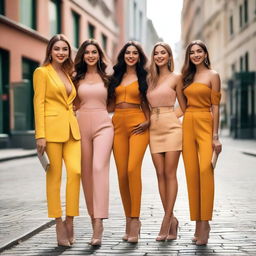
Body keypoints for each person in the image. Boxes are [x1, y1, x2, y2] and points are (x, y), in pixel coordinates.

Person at [33, 34, 81, 247]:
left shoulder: (67, 73)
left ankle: (70, 220)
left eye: (65, 49)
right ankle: (58, 223)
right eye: (57, 49)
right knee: (54, 178)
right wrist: (40, 134)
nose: (61, 52)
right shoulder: (42, 72)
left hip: (72, 131)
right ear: (50, 51)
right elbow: (39, 103)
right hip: (51, 132)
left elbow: (68, 101)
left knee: (76, 172)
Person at [177, 40, 222, 245]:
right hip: (188, 123)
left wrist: (215, 135)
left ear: (205, 54)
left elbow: (215, 107)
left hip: (205, 121)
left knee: (206, 172)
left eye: (199, 51)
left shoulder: (213, 75)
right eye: (192, 52)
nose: (196, 55)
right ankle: (197, 222)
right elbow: (182, 106)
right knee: (192, 175)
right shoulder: (186, 77)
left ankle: (205, 223)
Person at [73, 39, 114, 246]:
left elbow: (114, 102)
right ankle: (92, 220)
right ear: (83, 55)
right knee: (86, 174)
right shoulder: (75, 78)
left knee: (99, 168)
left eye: (94, 52)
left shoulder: (108, 78)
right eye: (87, 52)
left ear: (99, 55)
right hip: (80, 126)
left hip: (103, 126)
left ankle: (99, 222)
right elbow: (71, 103)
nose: (91, 55)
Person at [108, 41, 149, 243]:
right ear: (123, 55)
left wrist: (148, 121)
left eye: (135, 53)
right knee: (122, 174)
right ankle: (127, 219)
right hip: (117, 124)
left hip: (138, 124)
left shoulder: (145, 77)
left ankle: (135, 220)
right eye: (128, 52)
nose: (131, 56)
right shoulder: (115, 77)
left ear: (139, 57)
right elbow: (107, 103)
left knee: (133, 169)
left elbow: (148, 102)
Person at [147, 42, 182, 241]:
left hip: (172, 129)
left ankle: (167, 219)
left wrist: (169, 116)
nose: (159, 56)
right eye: (156, 53)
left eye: (163, 53)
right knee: (159, 174)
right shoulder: (150, 79)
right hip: (154, 129)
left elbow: (185, 105)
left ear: (169, 57)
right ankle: (173, 219)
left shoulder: (176, 78)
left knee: (170, 173)